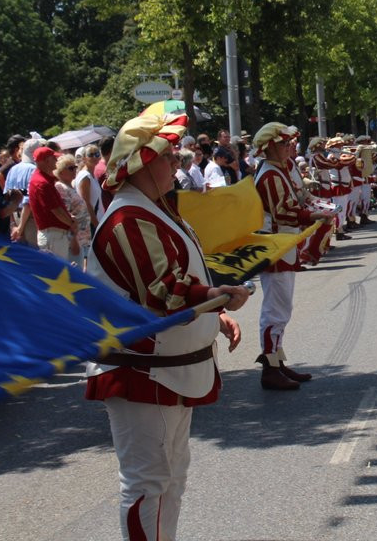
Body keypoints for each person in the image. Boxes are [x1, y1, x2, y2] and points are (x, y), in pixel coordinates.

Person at [84, 113, 249, 541]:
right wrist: (219, 298)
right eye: (166, 155)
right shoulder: (127, 218)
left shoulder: (152, 209)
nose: (176, 162)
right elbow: (164, 293)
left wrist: (217, 309)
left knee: (169, 480)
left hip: (166, 365)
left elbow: (180, 278)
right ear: (140, 163)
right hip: (143, 369)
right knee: (148, 484)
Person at [252, 122, 325, 390]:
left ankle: (277, 361)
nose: (289, 147)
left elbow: (292, 201)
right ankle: (270, 368)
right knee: (276, 309)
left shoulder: (279, 169)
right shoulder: (270, 174)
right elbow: (282, 212)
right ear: (270, 146)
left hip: (283, 244)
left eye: (289, 143)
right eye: (284, 143)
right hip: (275, 245)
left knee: (282, 307)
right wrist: (311, 215)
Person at [27, 146, 77, 259]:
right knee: (58, 274)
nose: (56, 161)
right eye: (54, 158)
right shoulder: (42, 182)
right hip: (53, 236)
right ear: (47, 161)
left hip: (54, 235)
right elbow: (56, 211)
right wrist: (71, 223)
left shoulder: (43, 179)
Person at [54, 154, 92, 267]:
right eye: (70, 168)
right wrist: (73, 240)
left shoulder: (70, 186)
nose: (74, 170)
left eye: (75, 167)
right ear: (60, 172)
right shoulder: (60, 188)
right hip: (73, 239)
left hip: (82, 238)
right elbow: (66, 216)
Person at [75, 144, 103, 225]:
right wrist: (95, 223)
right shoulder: (85, 176)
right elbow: (85, 203)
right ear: (84, 158)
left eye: (97, 154)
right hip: (92, 222)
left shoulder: (91, 175)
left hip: (99, 217)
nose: (94, 157)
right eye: (91, 155)